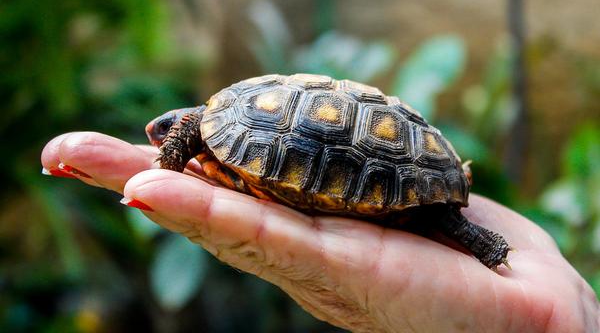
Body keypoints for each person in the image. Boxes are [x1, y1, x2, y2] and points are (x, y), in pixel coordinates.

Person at [42, 132, 599, 332]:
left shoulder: (206, 124)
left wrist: (560, 319)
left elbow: (185, 131)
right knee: (425, 214)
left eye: (171, 131)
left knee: (431, 216)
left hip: (392, 153)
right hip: (419, 162)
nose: (161, 134)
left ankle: (483, 242)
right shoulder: (223, 123)